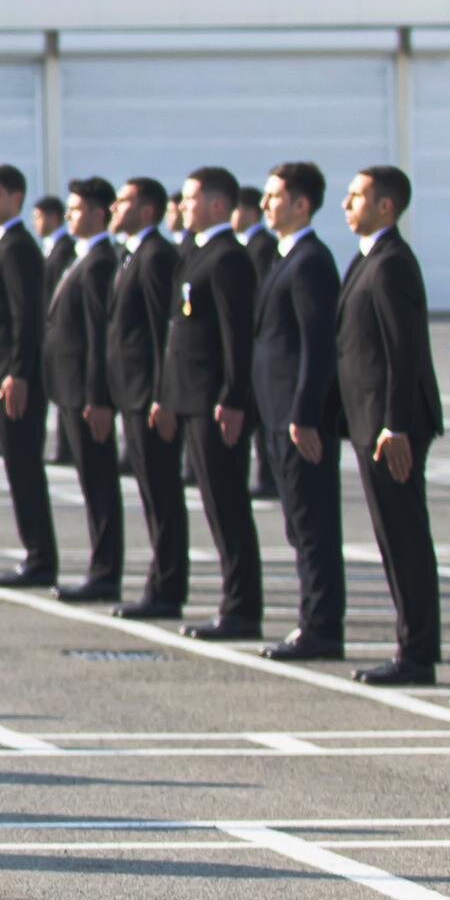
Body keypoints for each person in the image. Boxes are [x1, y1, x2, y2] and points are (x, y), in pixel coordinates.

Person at [334, 167, 443, 684]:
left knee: (405, 539)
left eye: (356, 196)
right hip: (370, 420)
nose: (345, 204)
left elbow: (403, 350)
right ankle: (410, 644)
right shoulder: (368, 258)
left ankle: (417, 653)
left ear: (385, 206)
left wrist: (396, 423)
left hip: (389, 426)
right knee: (391, 538)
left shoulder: (393, 263)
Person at [250, 161, 347, 662]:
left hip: (297, 417)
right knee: (297, 524)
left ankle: (322, 626)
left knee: (313, 526)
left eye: (274, 196)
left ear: (301, 204)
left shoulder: (311, 261)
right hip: (276, 414)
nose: (265, 204)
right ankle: (313, 618)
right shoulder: (284, 256)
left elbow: (318, 345)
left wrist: (306, 414)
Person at [170, 168, 265, 640]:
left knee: (228, 505)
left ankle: (242, 608)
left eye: (190, 199)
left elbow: (237, 337)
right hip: (192, 398)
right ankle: (234, 600)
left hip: (216, 402)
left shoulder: (229, 258)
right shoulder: (196, 252)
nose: (182, 206)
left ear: (215, 204)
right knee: (213, 503)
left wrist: (233, 396)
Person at [108, 178, 190, 621]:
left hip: (149, 397)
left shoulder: (157, 255)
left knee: (162, 495)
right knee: (151, 494)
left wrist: (163, 394)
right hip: (132, 394)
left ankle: (167, 587)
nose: (115, 208)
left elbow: (165, 332)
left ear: (145, 211)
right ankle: (160, 582)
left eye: (124, 201)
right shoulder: (133, 252)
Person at [0, 165, 51, 583]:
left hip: (13, 379)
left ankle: (40, 558)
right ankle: (34, 552)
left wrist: (18, 373)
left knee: (24, 466)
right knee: (16, 468)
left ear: (17, 199)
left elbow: (27, 318)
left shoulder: (18, 248)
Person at [46, 176, 124, 604]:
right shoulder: (80, 258)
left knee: (99, 485)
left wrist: (98, 397)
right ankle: (101, 566)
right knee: (90, 484)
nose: (69, 217)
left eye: (76, 210)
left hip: (86, 393)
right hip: (72, 390)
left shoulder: (98, 263)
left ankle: (106, 571)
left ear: (98, 214)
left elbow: (99, 337)